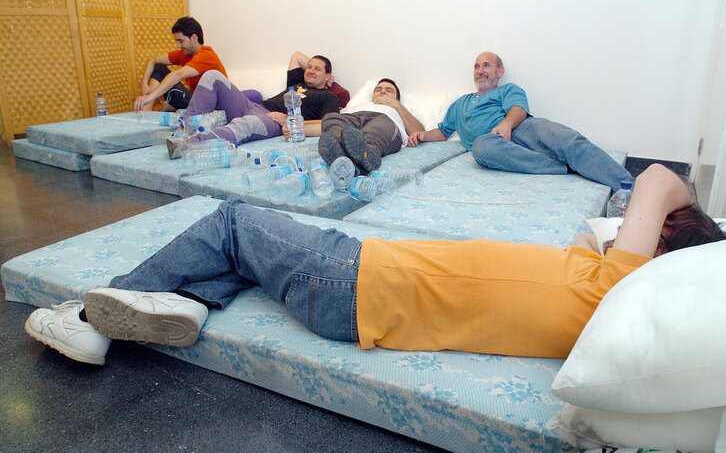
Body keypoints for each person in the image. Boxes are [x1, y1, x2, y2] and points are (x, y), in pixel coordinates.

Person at [24, 165, 724, 365]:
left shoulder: (614, 286)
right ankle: (187, 303)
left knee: (230, 221)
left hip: (355, 278)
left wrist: (687, 219)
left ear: (659, 245)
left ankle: (88, 316)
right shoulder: (600, 293)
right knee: (247, 256)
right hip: (358, 284)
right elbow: (606, 232)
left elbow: (659, 176)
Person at [407, 52, 633, 192]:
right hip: (493, 144)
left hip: (523, 129)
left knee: (568, 140)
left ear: (500, 71)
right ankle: (563, 167)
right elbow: (443, 132)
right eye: (476, 66)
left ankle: (630, 187)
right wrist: (423, 135)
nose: (480, 70)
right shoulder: (460, 103)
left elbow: (518, 109)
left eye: (486, 65)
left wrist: (506, 124)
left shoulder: (507, 89)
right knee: (481, 147)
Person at [165, 52, 341, 158]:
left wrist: (289, 120)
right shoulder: (296, 82)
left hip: (274, 122)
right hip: (253, 106)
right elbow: (296, 56)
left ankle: (189, 144)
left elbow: (326, 125)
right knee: (212, 76)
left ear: (327, 76)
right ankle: (187, 129)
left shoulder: (329, 96)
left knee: (245, 124)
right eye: (309, 67)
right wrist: (318, 69)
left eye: (317, 69)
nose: (310, 71)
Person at [318, 78, 425, 174]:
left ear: (397, 98)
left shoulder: (401, 109)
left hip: (385, 120)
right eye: (378, 89)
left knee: (376, 129)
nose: (382, 91)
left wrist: (397, 105)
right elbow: (334, 123)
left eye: (389, 90)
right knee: (330, 117)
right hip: (355, 118)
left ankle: (365, 153)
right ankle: (341, 152)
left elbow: (419, 131)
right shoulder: (359, 105)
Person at [134, 17, 227, 112]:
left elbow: (178, 75)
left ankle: (169, 106)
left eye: (181, 41)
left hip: (212, 107)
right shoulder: (184, 54)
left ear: (194, 38)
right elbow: (153, 61)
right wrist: (144, 84)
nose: (178, 45)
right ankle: (147, 111)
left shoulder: (207, 55)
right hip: (194, 101)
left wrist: (149, 97)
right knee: (159, 68)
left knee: (173, 91)